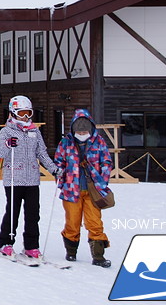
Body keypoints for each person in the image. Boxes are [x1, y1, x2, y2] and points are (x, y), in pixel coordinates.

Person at [0, 95, 59, 260]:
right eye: (22, 113)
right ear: (13, 113)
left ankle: (31, 246)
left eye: (28, 113)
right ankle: (6, 243)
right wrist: (8, 144)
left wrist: (54, 170)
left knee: (33, 214)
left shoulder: (34, 131)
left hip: (31, 179)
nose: (26, 117)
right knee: (12, 212)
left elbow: (42, 153)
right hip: (14, 178)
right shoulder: (6, 131)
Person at [54, 109, 113, 267]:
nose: (82, 132)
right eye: (79, 130)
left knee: (94, 222)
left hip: (93, 191)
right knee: (72, 223)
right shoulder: (65, 142)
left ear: (91, 128)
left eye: (85, 129)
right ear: (73, 129)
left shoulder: (99, 142)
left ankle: (98, 256)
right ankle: (71, 251)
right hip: (71, 190)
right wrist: (60, 178)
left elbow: (107, 163)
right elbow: (58, 162)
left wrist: (102, 181)